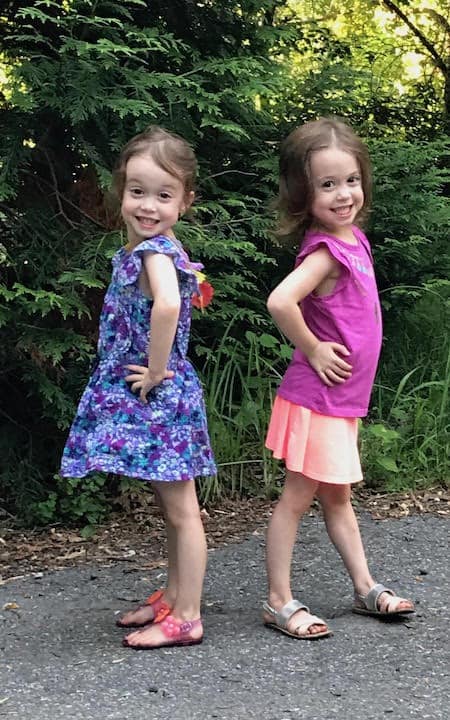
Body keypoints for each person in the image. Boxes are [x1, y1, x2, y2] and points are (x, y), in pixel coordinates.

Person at [60, 126, 216, 649]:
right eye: (137, 191)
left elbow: (168, 305)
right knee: (171, 508)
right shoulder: (154, 246)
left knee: (181, 510)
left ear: (185, 201)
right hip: (161, 398)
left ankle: (187, 616)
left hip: (160, 397)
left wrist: (153, 369)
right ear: (121, 189)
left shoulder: (155, 254)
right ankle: (172, 595)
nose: (148, 205)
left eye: (163, 195)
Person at [263, 117, 414, 640]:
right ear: (305, 194)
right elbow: (280, 301)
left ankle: (364, 586)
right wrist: (312, 347)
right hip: (317, 399)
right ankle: (279, 600)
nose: (343, 193)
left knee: (338, 497)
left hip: (342, 401)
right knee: (298, 498)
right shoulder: (326, 250)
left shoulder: (352, 239)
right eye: (327, 185)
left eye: (350, 179)